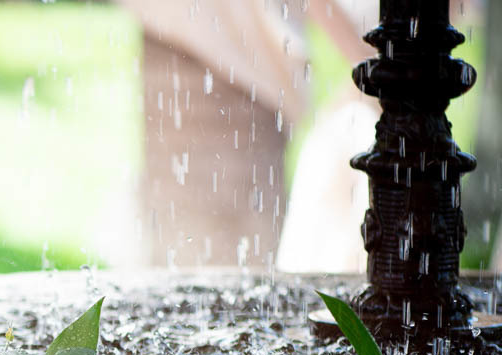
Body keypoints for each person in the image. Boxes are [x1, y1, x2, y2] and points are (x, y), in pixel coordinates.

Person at [116, 0, 374, 269]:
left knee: (194, 254)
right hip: (235, 57)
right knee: (224, 262)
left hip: (198, 38)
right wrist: (370, 61)